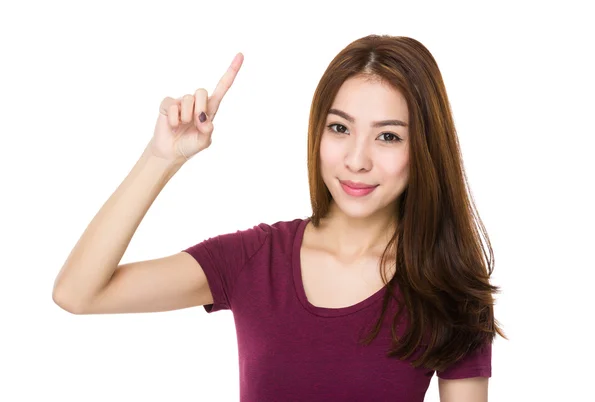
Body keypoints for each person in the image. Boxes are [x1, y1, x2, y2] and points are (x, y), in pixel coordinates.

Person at [53, 34, 505, 402]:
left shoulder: (450, 290)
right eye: (340, 128)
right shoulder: (255, 260)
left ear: (423, 149)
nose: (356, 159)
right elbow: (78, 293)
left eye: (387, 136)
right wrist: (161, 157)